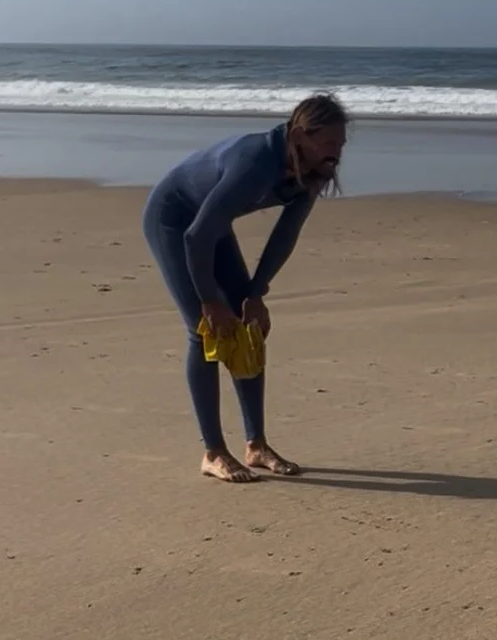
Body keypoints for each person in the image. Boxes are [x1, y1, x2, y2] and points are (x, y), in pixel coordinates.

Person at [142, 94, 348, 483]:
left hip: (208, 226)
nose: (336, 152)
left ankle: (256, 445)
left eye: (341, 144)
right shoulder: (255, 163)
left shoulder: (314, 167)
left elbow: (286, 233)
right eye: (329, 143)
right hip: (174, 219)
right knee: (207, 331)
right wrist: (209, 300)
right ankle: (213, 452)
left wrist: (256, 294)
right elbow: (196, 236)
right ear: (301, 135)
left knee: (248, 327)